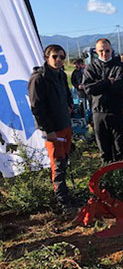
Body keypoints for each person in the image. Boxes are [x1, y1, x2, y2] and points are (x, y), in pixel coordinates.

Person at [27, 45, 75, 210]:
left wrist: (70, 106)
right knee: (58, 164)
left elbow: (67, 92)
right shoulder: (38, 78)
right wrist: (47, 130)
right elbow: (37, 108)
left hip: (65, 124)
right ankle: (62, 202)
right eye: (55, 56)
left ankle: (66, 195)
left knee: (65, 161)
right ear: (47, 57)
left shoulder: (61, 74)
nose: (59, 60)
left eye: (62, 57)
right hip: (53, 129)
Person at [83, 38, 123, 164]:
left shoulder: (120, 67)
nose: (104, 53)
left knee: (119, 147)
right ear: (96, 51)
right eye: (101, 51)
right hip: (98, 112)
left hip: (116, 111)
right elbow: (88, 88)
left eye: (107, 50)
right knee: (104, 149)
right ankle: (107, 178)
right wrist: (108, 82)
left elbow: (119, 87)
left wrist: (99, 85)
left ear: (111, 50)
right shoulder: (90, 68)